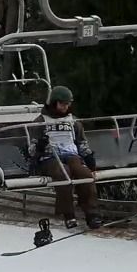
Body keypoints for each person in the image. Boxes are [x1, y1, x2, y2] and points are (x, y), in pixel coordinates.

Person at [30, 85, 102, 229]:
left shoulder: (73, 121)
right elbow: (31, 148)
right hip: (50, 157)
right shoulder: (41, 121)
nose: (65, 107)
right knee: (63, 174)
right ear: (54, 102)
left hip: (71, 155)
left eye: (67, 104)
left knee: (85, 175)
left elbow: (81, 142)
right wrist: (40, 146)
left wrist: (89, 159)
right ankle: (68, 215)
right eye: (62, 103)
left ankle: (92, 213)